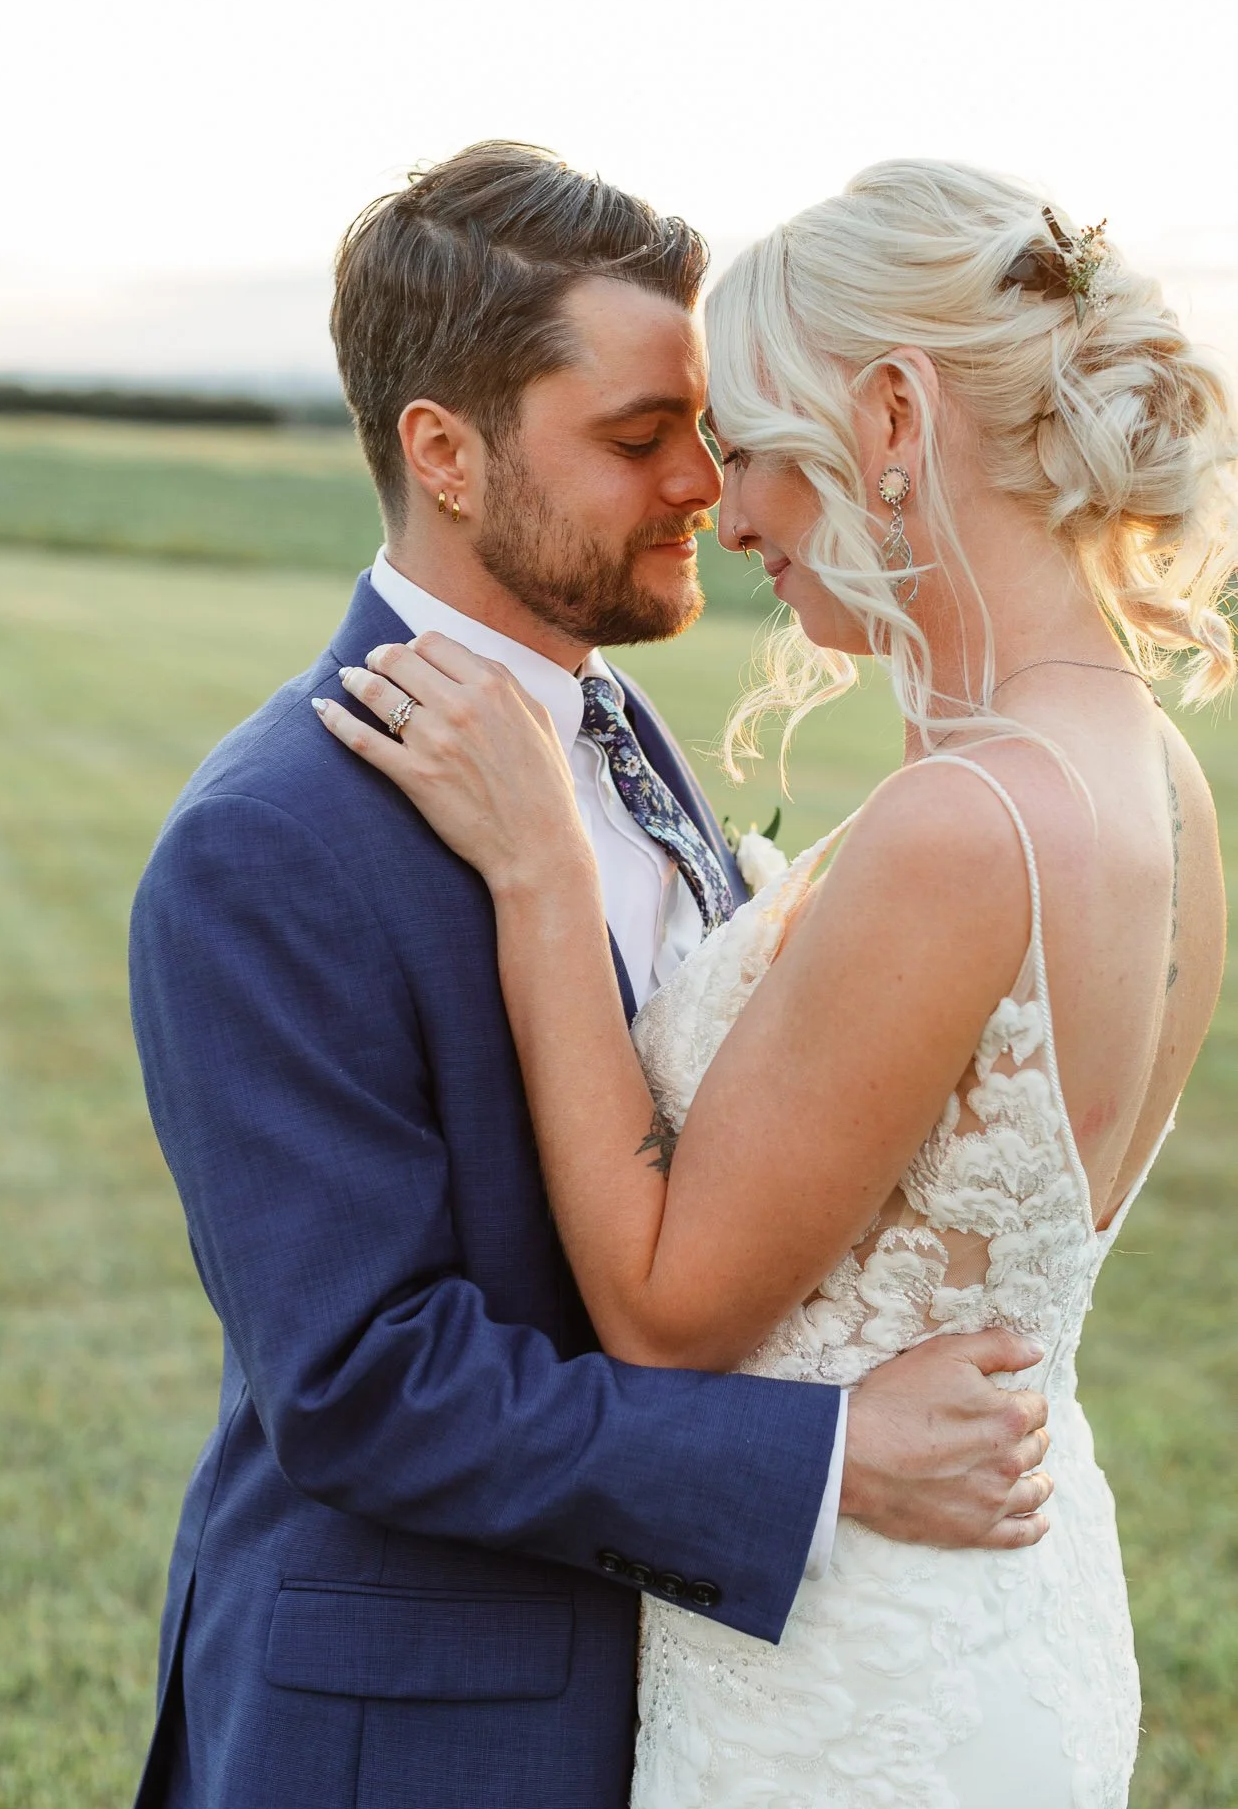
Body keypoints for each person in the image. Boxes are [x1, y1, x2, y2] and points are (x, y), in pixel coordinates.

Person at [129, 144, 1054, 1809]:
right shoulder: (264, 843)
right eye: (638, 440)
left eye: (699, 425)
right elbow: (361, 1384)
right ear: (447, 456)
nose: (708, 481)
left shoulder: (616, 734)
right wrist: (834, 1459)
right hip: (412, 1728)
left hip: (687, 1701)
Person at [318, 157, 1236, 1806]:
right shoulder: (1159, 773)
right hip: (1009, 1609)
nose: (724, 512)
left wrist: (538, 875)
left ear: (891, 416)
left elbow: (670, 1317)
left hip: (852, 1676)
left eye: (750, 447)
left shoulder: (965, 825)